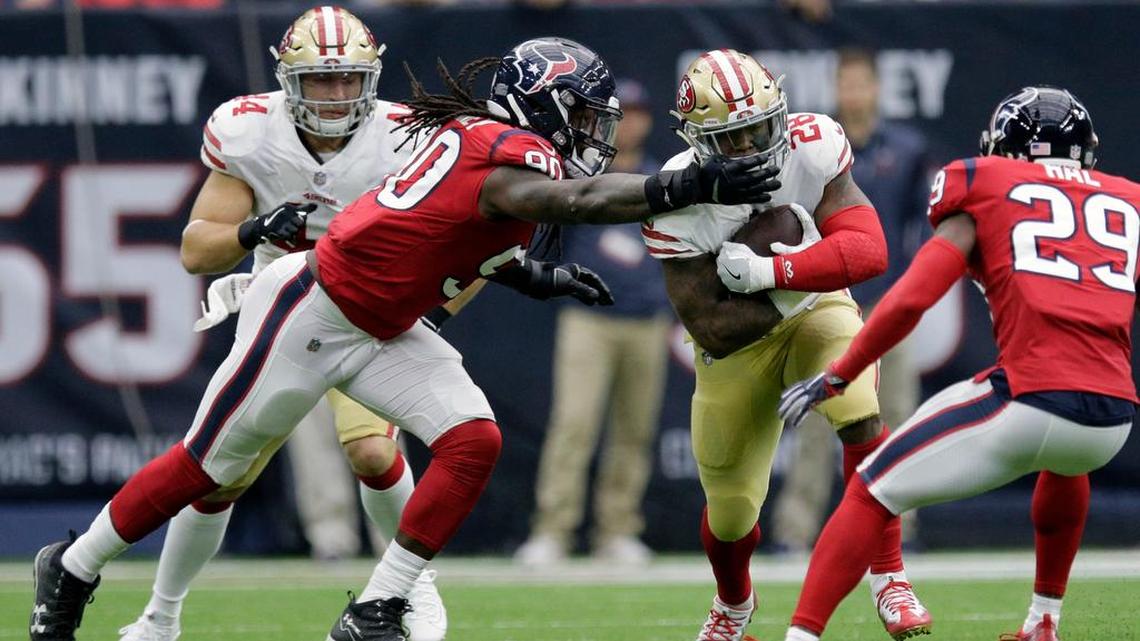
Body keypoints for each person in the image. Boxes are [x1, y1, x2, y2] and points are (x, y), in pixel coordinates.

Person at [29, 37, 777, 641]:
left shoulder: (487, 141)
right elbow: (567, 199)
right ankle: (75, 564)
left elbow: (448, 233)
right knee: (206, 466)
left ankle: (378, 607)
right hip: (312, 308)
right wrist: (686, 186)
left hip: (385, 327)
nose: (592, 134)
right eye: (581, 117)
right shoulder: (511, 154)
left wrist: (529, 276)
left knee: (474, 438)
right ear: (541, 108)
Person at [116, 8, 457, 641]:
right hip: (284, 306)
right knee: (219, 475)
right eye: (320, 81)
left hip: (366, 311)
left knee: (374, 448)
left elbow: (454, 239)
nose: (334, 95)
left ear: (372, 78)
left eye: (348, 79)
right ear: (286, 79)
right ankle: (160, 615)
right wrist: (251, 231)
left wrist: (427, 309)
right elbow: (197, 250)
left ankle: (413, 591)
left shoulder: (407, 136)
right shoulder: (250, 131)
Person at [775, 86, 1136, 641]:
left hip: (1029, 398)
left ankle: (800, 637)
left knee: (871, 487)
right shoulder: (1127, 199)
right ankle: (1043, 621)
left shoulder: (987, 184)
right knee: (1068, 464)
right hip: (1111, 420)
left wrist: (843, 371)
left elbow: (912, 297)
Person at [641, 49, 930, 641]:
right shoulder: (676, 200)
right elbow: (711, 327)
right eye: (732, 137)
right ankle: (733, 605)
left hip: (816, 310)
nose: (750, 147)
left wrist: (779, 276)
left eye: (758, 129)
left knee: (859, 411)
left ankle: (890, 574)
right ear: (698, 142)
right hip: (736, 348)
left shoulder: (812, 142)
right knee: (729, 513)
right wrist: (796, 280)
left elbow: (870, 251)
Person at [772, 47, 934, 554]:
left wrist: (909, 286)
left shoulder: (906, 148)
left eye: (863, 83)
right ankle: (796, 531)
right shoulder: (817, 146)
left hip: (887, 304)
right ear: (836, 89)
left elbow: (926, 225)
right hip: (830, 302)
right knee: (818, 419)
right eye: (847, 84)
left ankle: (897, 532)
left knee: (896, 414)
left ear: (877, 89)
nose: (855, 94)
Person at [514, 78, 672, 567]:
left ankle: (618, 529)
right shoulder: (582, 172)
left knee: (634, 430)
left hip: (646, 321)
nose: (631, 126)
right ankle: (553, 529)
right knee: (574, 425)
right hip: (588, 319)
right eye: (621, 116)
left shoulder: (660, 178)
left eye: (639, 115)